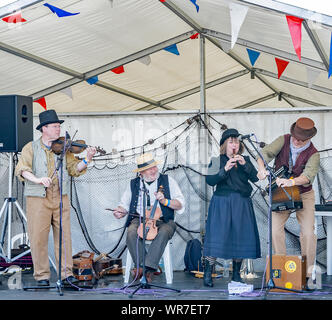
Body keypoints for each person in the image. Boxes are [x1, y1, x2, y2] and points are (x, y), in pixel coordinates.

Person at [15, 109, 96, 286]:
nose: (58, 129)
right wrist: (37, 179)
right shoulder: (31, 147)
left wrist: (87, 159)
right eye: (54, 126)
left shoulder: (65, 148)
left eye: (59, 126)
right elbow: (21, 169)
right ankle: (42, 276)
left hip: (61, 197)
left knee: (64, 237)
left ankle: (66, 275)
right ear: (44, 128)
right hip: (38, 199)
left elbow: (75, 169)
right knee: (39, 238)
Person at [256, 117, 320, 288]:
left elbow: (308, 176)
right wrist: (261, 169)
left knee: (307, 233)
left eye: (301, 139)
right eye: (295, 136)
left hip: (304, 194)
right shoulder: (283, 140)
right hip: (281, 192)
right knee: (275, 230)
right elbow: (263, 155)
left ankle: (307, 274)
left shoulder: (314, 153)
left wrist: (291, 182)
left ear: (309, 139)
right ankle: (282, 269)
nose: (296, 141)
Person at [113, 153, 185, 282]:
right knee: (131, 232)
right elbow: (123, 205)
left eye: (154, 167)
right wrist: (120, 211)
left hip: (163, 220)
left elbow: (180, 204)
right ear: (141, 172)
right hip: (139, 218)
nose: (154, 170)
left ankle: (143, 269)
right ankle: (147, 270)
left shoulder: (168, 181)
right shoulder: (133, 184)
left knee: (163, 232)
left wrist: (165, 202)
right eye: (149, 168)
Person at [203, 128, 261, 287]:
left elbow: (256, 177)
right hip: (222, 203)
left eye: (236, 141)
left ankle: (236, 274)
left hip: (241, 203)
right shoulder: (216, 160)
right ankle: (208, 271)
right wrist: (225, 169)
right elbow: (210, 181)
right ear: (224, 145)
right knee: (217, 237)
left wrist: (245, 165)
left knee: (240, 237)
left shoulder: (245, 160)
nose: (234, 144)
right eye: (231, 141)